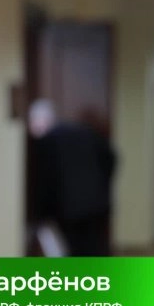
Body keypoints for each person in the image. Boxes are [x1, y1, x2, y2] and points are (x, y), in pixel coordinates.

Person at [29, 99, 117, 256]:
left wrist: (41, 214)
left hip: (70, 210)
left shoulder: (46, 142)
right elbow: (111, 158)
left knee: (77, 251)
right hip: (98, 204)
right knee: (97, 249)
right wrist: (103, 185)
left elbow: (45, 181)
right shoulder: (85, 131)